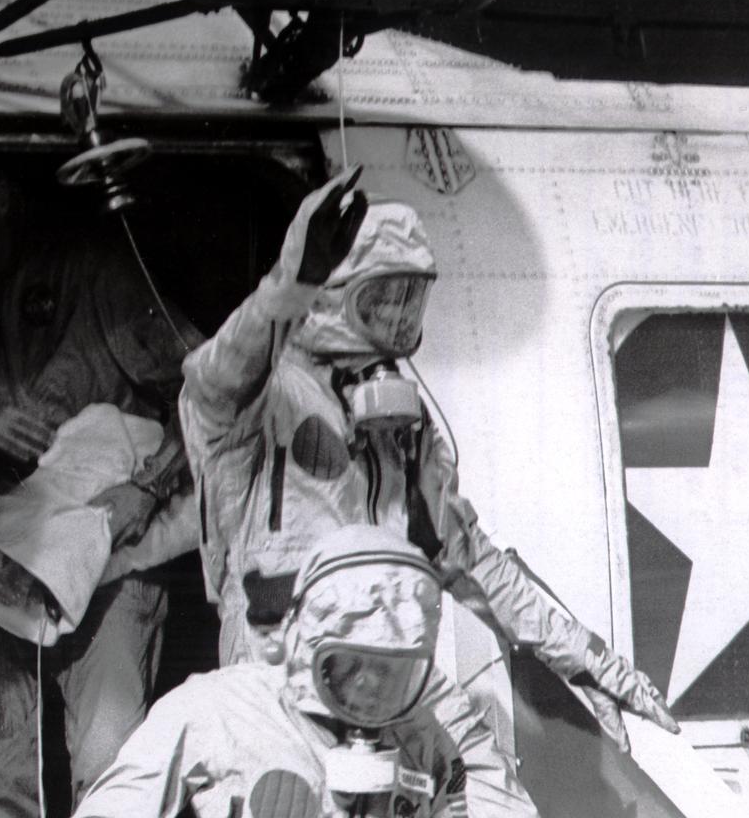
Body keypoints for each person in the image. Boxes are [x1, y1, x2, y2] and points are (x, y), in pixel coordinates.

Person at [179, 165, 679, 757]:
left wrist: (586, 658)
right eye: (382, 298)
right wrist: (289, 287)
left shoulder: (406, 431)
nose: (397, 317)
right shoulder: (262, 402)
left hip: (384, 692)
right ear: (335, 294)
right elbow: (216, 379)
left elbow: (470, 559)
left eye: (409, 299)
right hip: (277, 696)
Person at [0, 182, 202, 818]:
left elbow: (210, 388)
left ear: (2, 201)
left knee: (114, 771)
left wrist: (148, 485)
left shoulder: (93, 274)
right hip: (5, 560)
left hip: (112, 553)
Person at [75, 524, 535, 818]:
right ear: (303, 647)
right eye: (351, 663)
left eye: (391, 669)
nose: (371, 686)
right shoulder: (214, 712)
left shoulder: (436, 726)